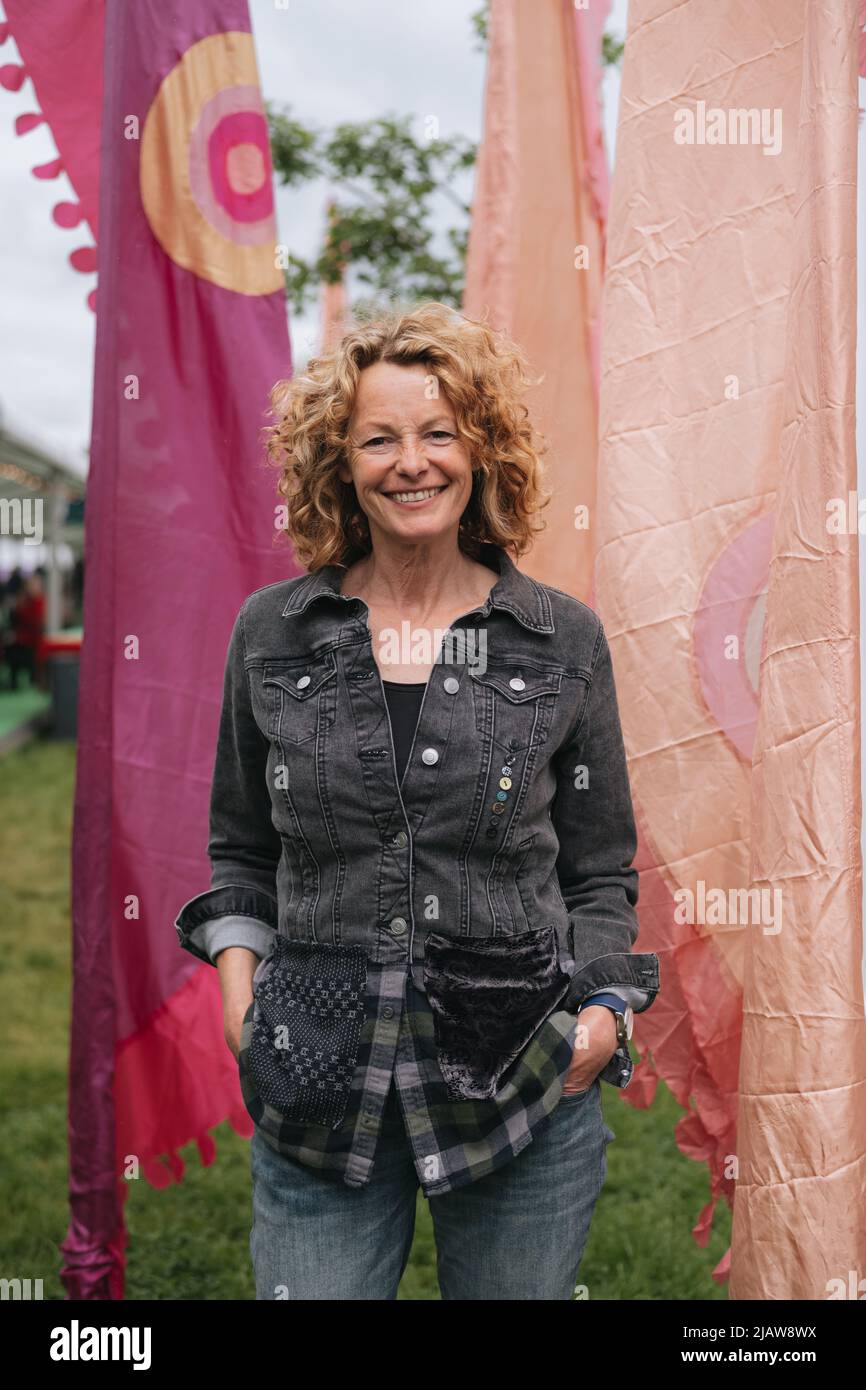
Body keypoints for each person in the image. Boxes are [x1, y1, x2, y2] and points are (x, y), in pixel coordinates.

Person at [174, 301, 660, 1300]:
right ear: (338, 461)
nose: (412, 461)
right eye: (378, 437)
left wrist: (603, 1012)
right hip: (316, 1088)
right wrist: (239, 998)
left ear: (479, 449)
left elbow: (598, 867)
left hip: (519, 1081)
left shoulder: (558, 638)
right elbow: (238, 849)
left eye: (438, 432)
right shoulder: (273, 631)